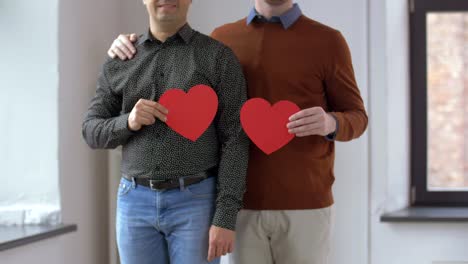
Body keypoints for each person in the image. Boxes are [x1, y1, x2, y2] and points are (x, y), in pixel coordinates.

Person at [108, 1, 368, 263]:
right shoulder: (222, 39)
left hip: (306, 206)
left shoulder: (328, 41)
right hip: (239, 209)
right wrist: (130, 44)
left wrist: (331, 123)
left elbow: (358, 117)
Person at [82, 0, 250, 263]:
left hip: (197, 203)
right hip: (133, 204)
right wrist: (128, 121)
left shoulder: (218, 58)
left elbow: (236, 140)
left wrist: (225, 217)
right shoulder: (121, 60)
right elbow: (91, 130)